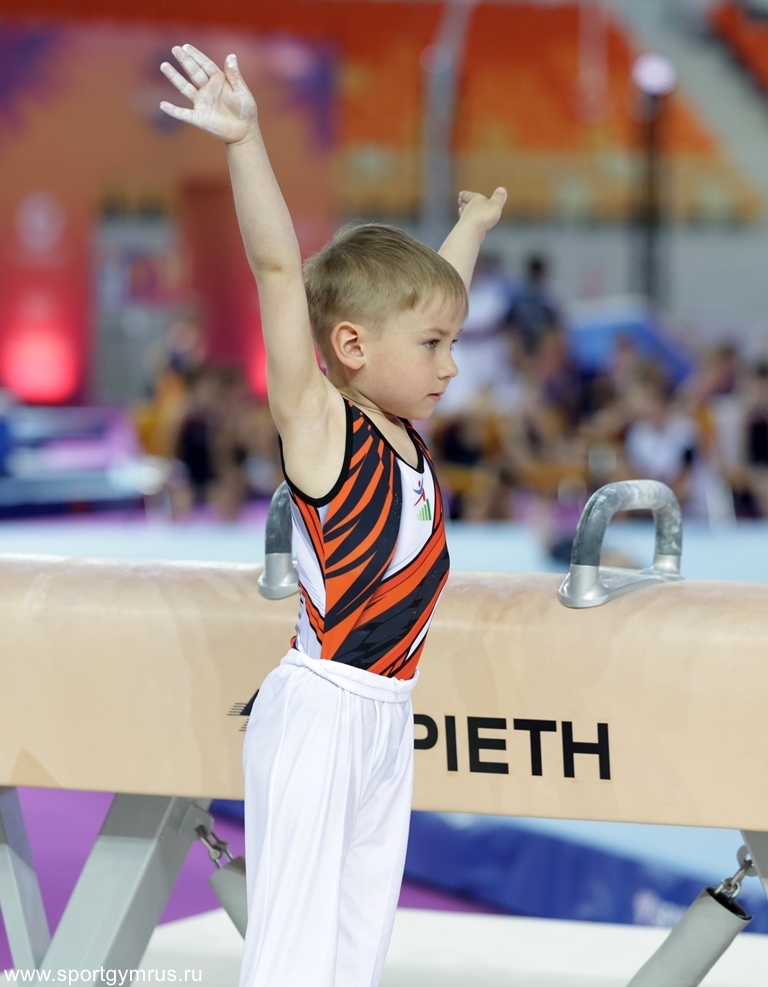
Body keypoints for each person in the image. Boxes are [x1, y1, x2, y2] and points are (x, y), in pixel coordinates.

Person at [159, 44, 506, 987]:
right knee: (294, 962)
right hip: (322, 711)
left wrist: (470, 225)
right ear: (349, 345)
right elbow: (280, 272)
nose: (451, 364)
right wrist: (245, 141)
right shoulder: (324, 431)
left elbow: (426, 298)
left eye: (452, 341)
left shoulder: (402, 425)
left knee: (354, 960)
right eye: (434, 346)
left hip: (388, 717)